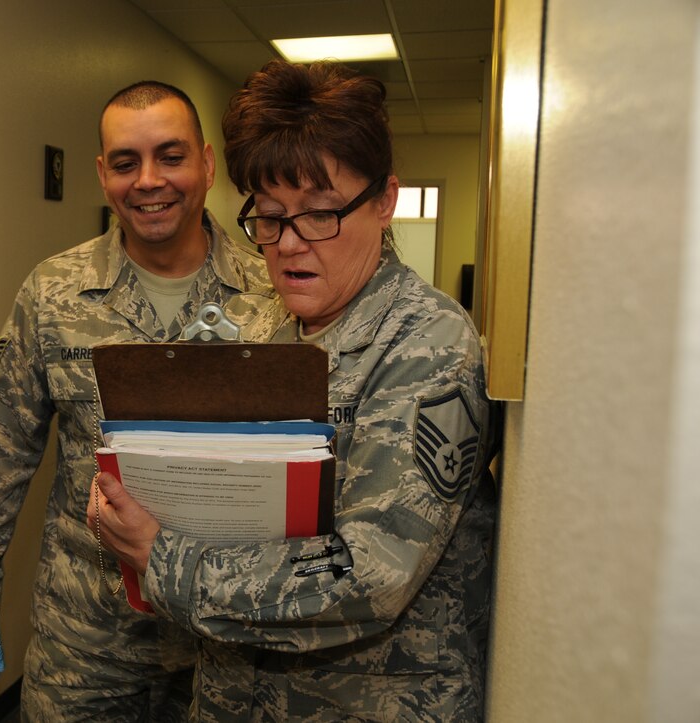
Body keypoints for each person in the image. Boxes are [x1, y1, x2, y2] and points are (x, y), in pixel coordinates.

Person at [87, 60, 499, 721]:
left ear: (385, 200)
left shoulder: (429, 345)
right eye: (270, 218)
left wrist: (165, 558)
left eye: (320, 215)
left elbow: (372, 574)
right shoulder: (274, 339)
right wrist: (136, 489)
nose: (288, 243)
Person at [0, 80, 269, 721]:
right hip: (85, 632)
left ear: (206, 162)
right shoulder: (55, 292)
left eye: (170, 157)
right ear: (101, 174)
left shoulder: (270, 290)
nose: (148, 181)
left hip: (223, 634)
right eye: (125, 162)